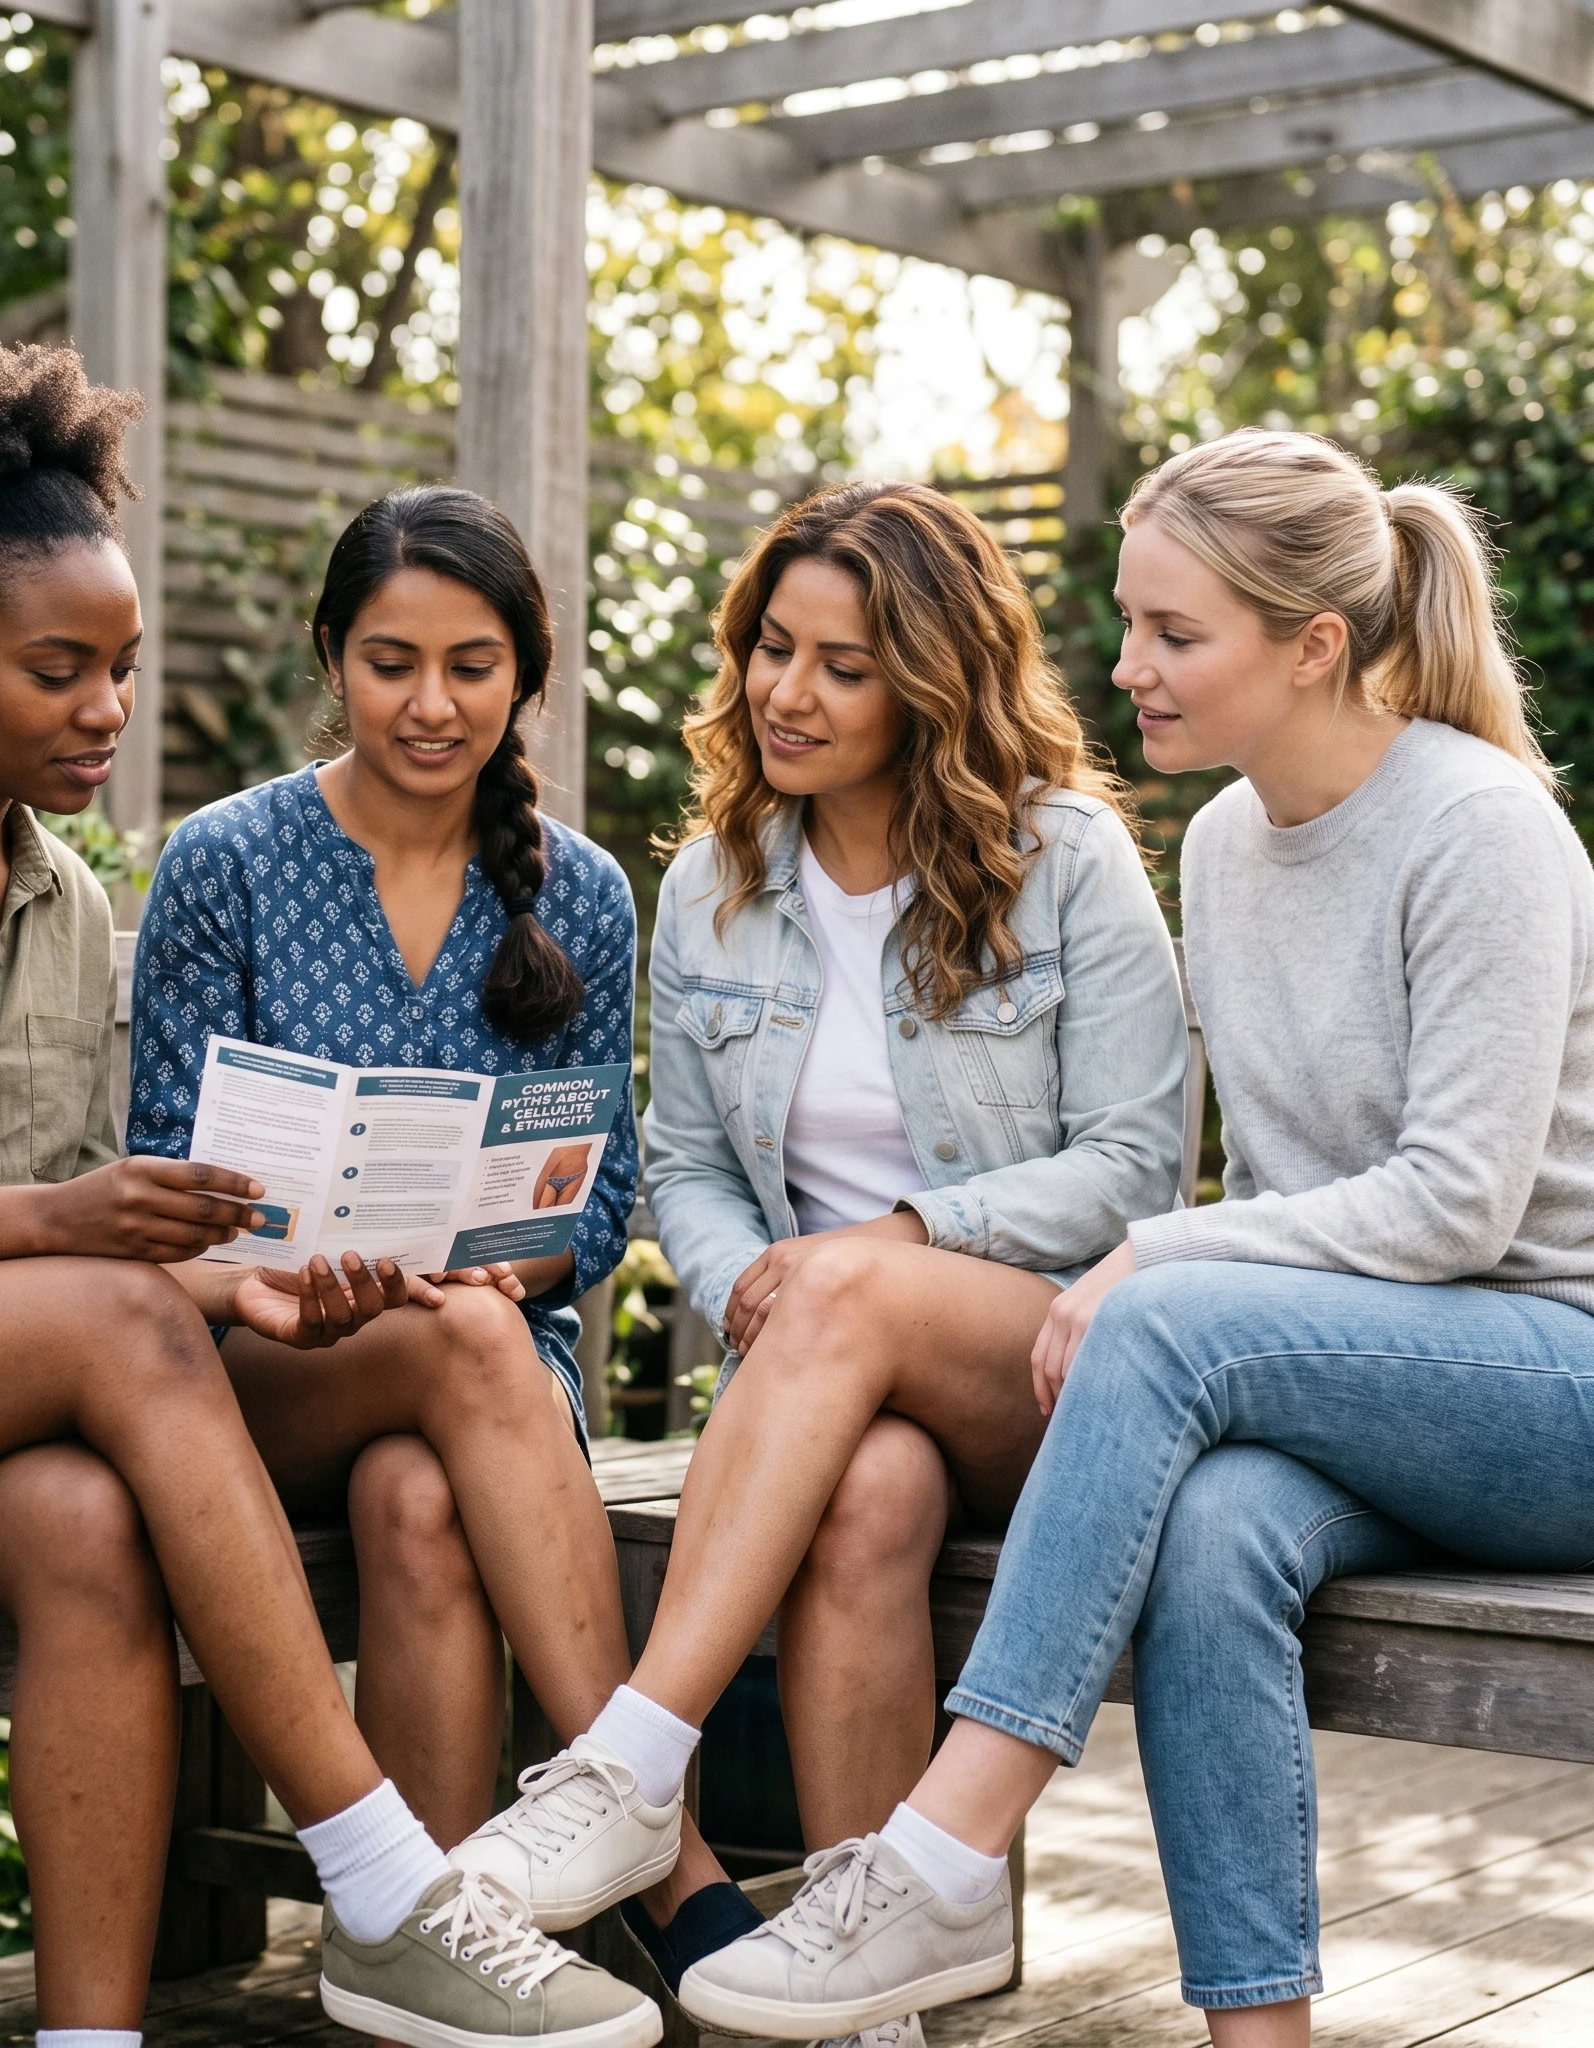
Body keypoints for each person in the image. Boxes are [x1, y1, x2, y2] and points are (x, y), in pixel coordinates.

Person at [0, 327, 658, 2048]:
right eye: (58, 670)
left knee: (99, 1527)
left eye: (125, 667)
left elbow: (84, 1250)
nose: (108, 712)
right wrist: (86, 1239)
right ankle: (384, 1880)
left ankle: (95, 2038)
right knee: (115, 1313)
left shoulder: (66, 897)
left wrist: (257, 1290)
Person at [668, 428, 1594, 2048]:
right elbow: (1284, 1198)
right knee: (1219, 1534)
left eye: (1176, 634)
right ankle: (1261, 2039)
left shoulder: (1481, 829)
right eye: (1131, 622)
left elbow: (1455, 1205)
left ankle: (942, 1851)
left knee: (1160, 1312)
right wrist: (1183, 1258)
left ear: (1313, 647)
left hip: (1548, 1379)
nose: (1125, 668)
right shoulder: (1229, 846)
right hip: (1356, 1386)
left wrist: (1153, 1260)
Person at [453, 479, 1188, 2025]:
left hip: (1058, 1380)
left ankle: (637, 1763)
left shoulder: (1065, 859)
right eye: (772, 648)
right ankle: (862, 2003)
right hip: (832, 1391)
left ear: (932, 682)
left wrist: (909, 1242)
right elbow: (695, 1173)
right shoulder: (717, 889)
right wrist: (745, 1290)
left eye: (843, 666)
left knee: (853, 1280)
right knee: (867, 1501)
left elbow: (1135, 1168)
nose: (787, 692)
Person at [128, 482, 747, 1967]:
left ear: (526, 674)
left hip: (476, 1381)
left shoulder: (583, 894)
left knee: (421, 1494)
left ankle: (428, 1948)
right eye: (391, 661)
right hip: (255, 1375)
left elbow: (592, 1214)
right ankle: (662, 1850)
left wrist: (481, 1261)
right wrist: (304, 1271)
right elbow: (164, 1185)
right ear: (332, 659)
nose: (430, 703)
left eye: (473, 665)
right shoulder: (226, 862)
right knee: (461, 1339)